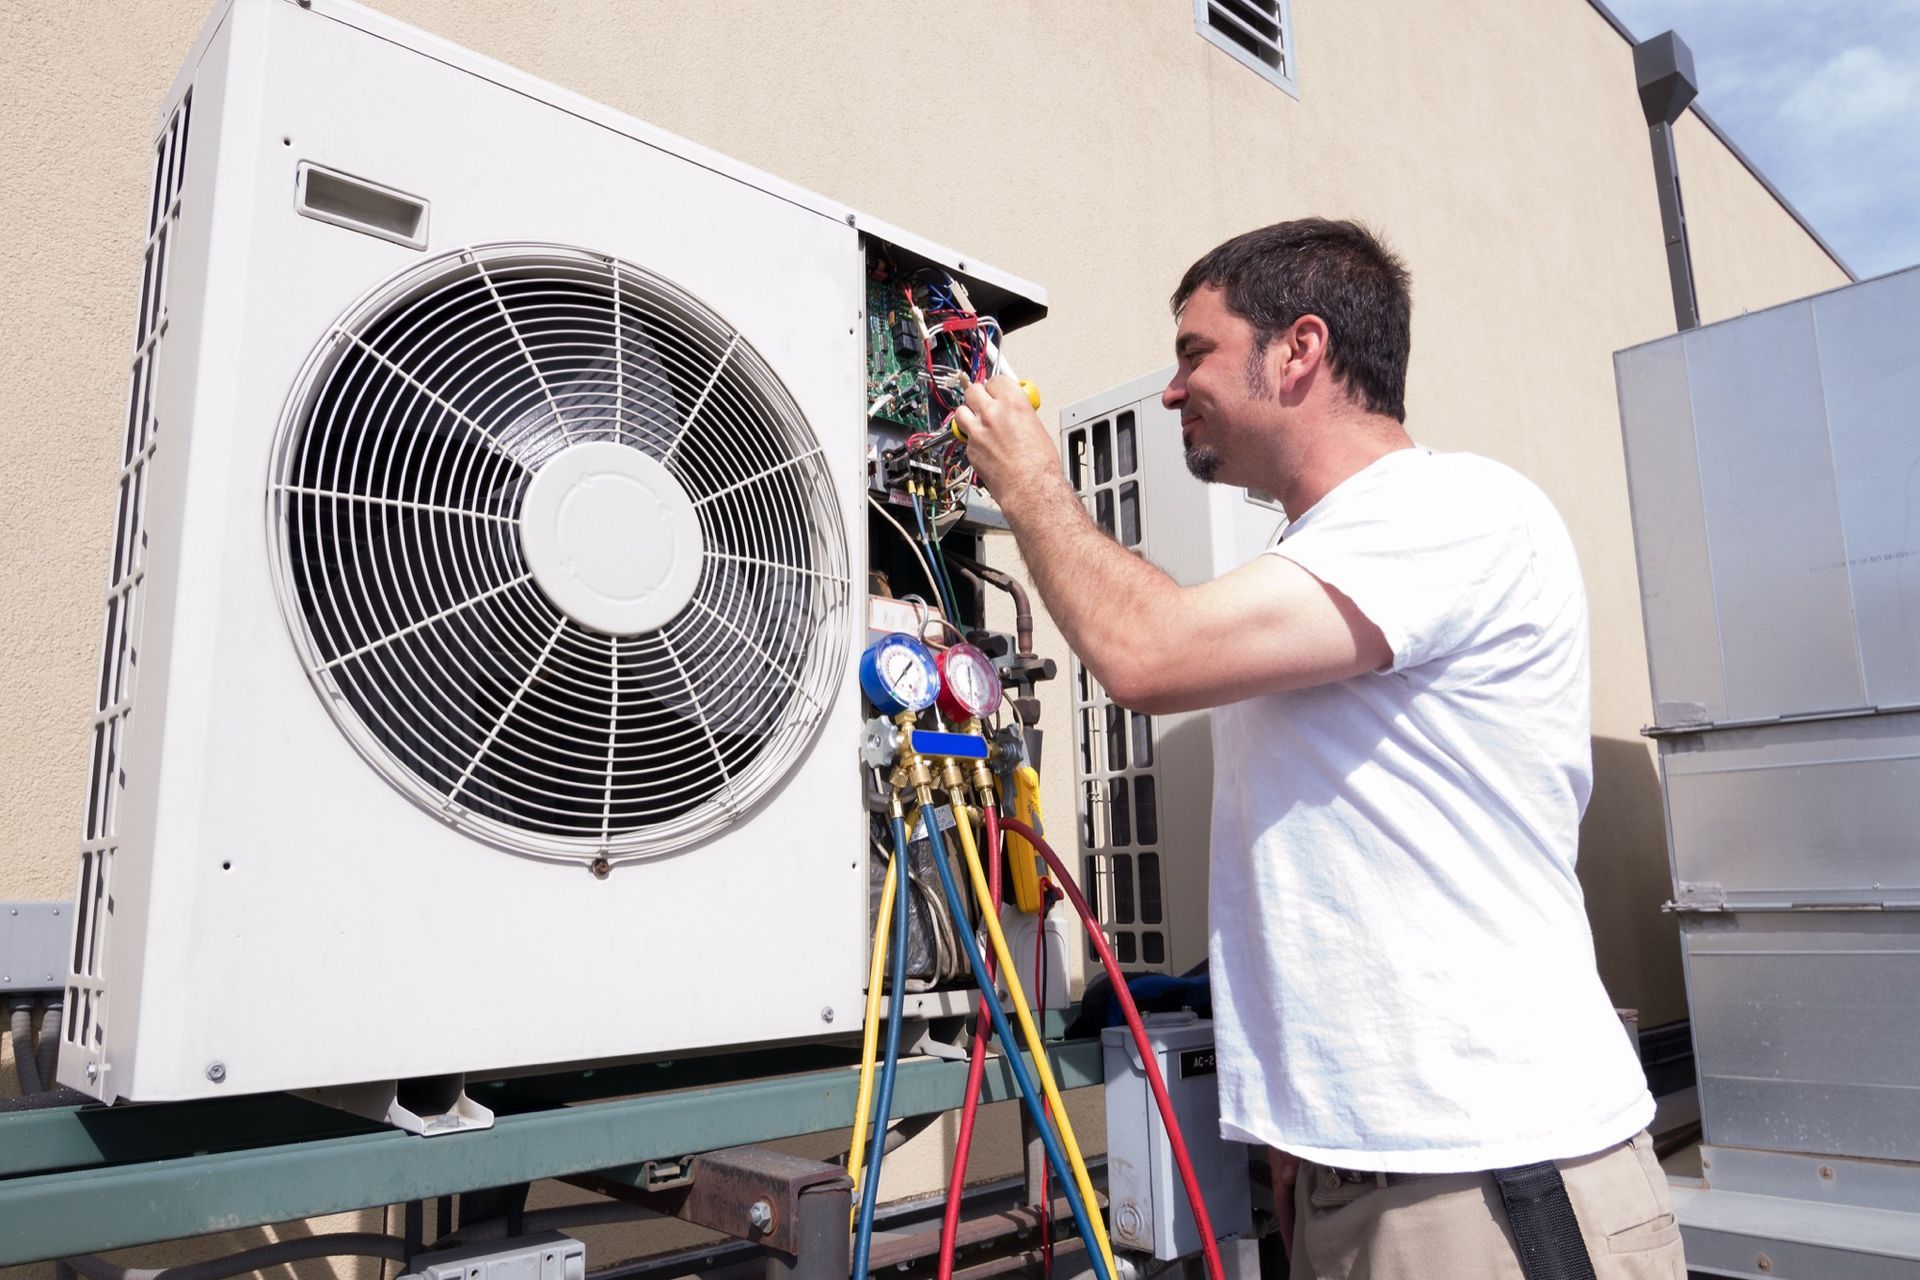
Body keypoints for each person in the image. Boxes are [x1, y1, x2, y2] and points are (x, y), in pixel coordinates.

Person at [954, 219, 1683, 1279]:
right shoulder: (1324, 562)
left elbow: (1144, 652)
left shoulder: (1448, 510)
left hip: (1491, 1181)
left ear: (1299, 349)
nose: (1170, 390)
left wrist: (1030, 486)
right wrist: (1303, 1142)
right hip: (1367, 1178)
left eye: (1194, 351)